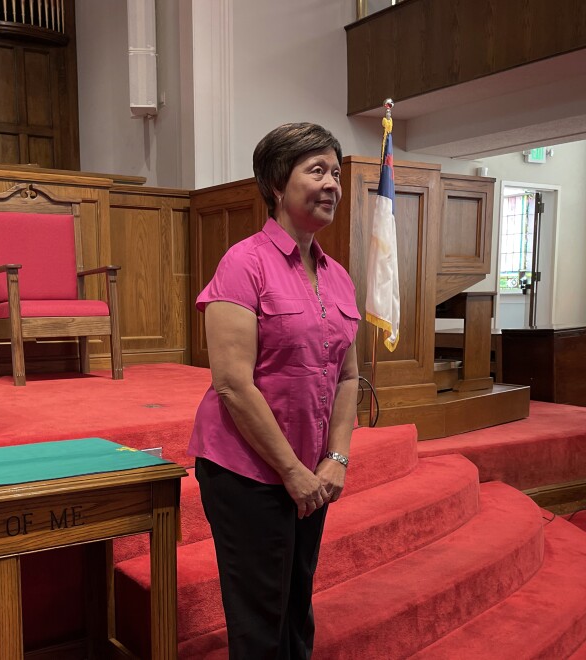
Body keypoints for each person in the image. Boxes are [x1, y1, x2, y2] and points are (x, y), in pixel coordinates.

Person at [189, 122, 360, 659]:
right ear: (276, 185)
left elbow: (349, 376)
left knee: (295, 605)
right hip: (248, 471)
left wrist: (335, 459)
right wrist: (291, 472)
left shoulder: (339, 276)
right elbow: (233, 385)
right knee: (260, 619)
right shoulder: (244, 263)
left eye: (336, 172)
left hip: (311, 470)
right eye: (317, 171)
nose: (332, 183)